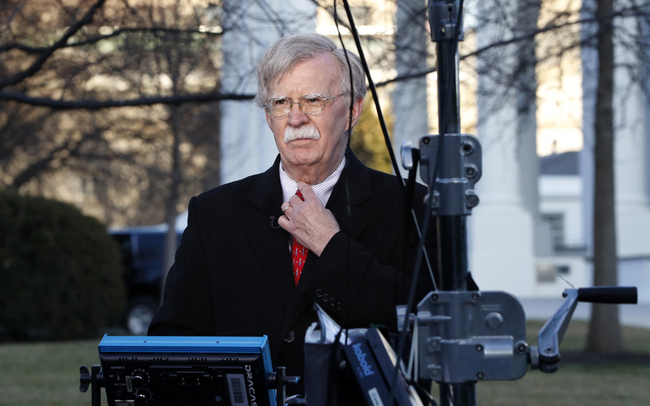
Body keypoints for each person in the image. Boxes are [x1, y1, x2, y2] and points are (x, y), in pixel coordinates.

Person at [148, 33, 436, 396]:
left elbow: (430, 338)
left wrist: (332, 247)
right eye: (281, 102)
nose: (296, 118)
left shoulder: (412, 206)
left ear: (352, 110)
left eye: (313, 100)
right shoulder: (214, 214)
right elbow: (173, 342)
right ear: (269, 116)